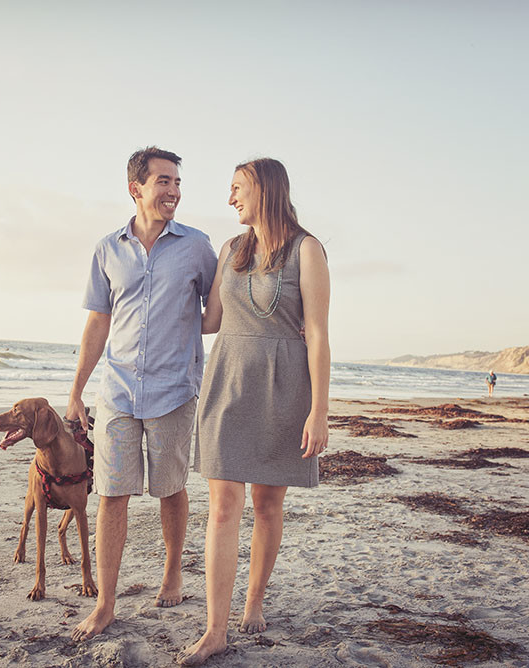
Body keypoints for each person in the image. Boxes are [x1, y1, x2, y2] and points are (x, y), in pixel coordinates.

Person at [178, 158, 330, 666]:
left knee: (267, 505)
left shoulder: (307, 250)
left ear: (264, 190)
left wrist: (320, 410)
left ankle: (256, 598)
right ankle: (215, 629)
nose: (230, 199)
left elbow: (319, 334)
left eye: (237, 189)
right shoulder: (230, 250)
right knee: (222, 508)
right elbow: (209, 321)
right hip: (227, 383)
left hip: (284, 387)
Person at [67, 146, 218, 641]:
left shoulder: (197, 246)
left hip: (175, 390)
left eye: (177, 182)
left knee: (171, 488)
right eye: (164, 182)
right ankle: (107, 602)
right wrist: (76, 391)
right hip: (117, 392)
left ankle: (173, 568)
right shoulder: (107, 248)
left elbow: (218, 312)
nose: (174, 191)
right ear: (136, 188)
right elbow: (97, 321)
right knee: (111, 495)